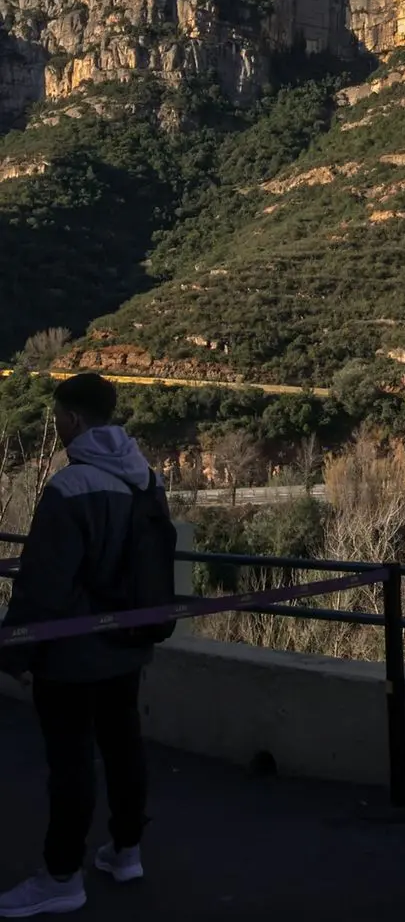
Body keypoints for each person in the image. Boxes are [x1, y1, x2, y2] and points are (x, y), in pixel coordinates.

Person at [0, 373, 173, 918]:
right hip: (128, 642)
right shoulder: (147, 479)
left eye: (57, 416)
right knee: (123, 748)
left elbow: (43, 582)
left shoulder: (70, 488)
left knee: (71, 762)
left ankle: (60, 876)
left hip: (72, 653)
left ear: (72, 419)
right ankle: (126, 851)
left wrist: (15, 650)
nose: (56, 424)